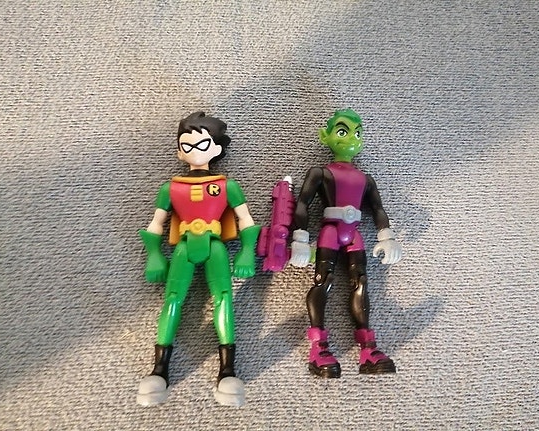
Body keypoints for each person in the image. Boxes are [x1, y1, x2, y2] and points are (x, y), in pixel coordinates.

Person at [137, 111, 260, 406]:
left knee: (224, 299)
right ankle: (159, 370)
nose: (194, 150)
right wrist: (154, 255)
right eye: (187, 145)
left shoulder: (227, 186)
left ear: (216, 149)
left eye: (202, 144)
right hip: (184, 248)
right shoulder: (171, 188)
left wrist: (247, 251)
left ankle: (227, 371)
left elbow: (246, 220)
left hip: (215, 246)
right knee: (172, 300)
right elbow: (156, 224)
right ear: (180, 152)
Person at [290, 109, 402, 378]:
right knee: (323, 281)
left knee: (361, 282)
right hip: (330, 231)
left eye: (357, 133)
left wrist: (387, 236)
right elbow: (303, 203)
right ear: (325, 136)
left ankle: (368, 348)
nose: (351, 137)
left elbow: (377, 209)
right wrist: (300, 238)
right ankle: (318, 346)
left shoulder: (366, 179)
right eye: (343, 131)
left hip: (354, 233)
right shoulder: (320, 172)